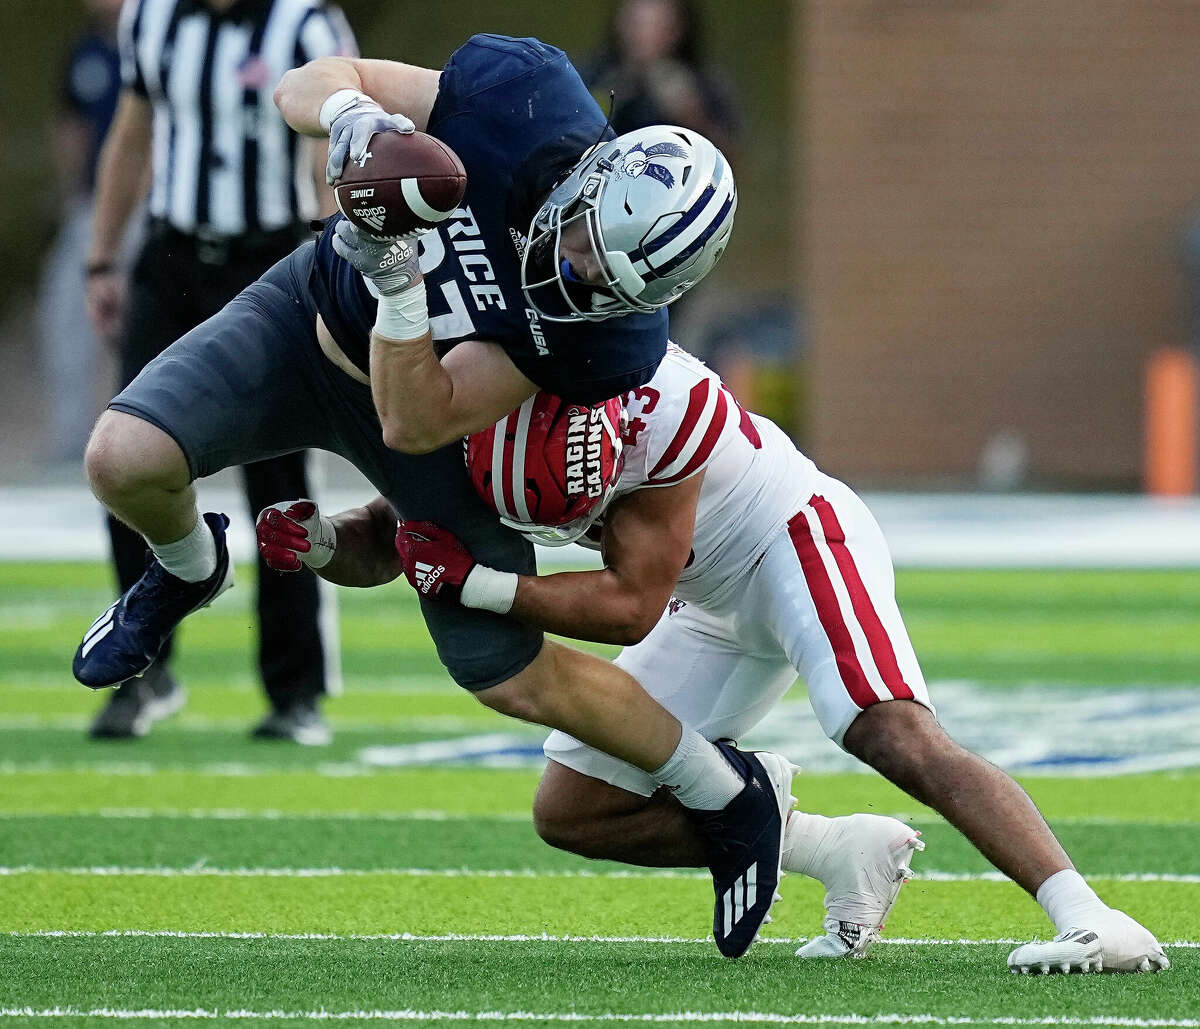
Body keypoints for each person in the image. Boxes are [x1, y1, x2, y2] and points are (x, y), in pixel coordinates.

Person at [73, 34, 784, 959]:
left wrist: (398, 272)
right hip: (307, 321)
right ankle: (186, 565)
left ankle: (728, 794)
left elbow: (417, 421)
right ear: (591, 180)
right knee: (120, 458)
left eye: (608, 284)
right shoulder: (522, 99)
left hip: (426, 401)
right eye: (583, 249)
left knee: (512, 676)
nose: (576, 276)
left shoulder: (612, 340)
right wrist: (355, 121)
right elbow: (312, 80)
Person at [268, 344, 1171, 973]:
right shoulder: (475, 421)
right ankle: (836, 848)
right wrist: (318, 544)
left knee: (887, 729)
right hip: (704, 601)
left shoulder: (667, 409)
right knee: (575, 808)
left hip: (792, 541)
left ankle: (1092, 918)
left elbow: (627, 607)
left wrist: (481, 586)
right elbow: (392, 537)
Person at [81, 0, 358, 743]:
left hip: (268, 263)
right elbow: (133, 134)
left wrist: (332, 263)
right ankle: (147, 670)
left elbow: (327, 153)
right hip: (170, 258)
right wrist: (104, 256)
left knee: (280, 478)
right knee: (129, 454)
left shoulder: (305, 23)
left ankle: (295, 690)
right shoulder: (152, 17)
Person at [37, 0, 125, 464]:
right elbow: (70, 124)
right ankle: (73, 439)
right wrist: (73, 192)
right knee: (66, 313)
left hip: (155, 208)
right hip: (94, 207)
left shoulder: (159, 39)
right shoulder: (85, 52)